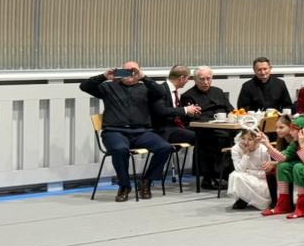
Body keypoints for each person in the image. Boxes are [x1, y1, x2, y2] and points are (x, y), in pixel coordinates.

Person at [80, 63, 176, 200]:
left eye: (133, 71)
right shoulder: (108, 87)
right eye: (126, 71)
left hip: (141, 132)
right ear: (120, 72)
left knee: (164, 147)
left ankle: (147, 182)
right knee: (119, 149)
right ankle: (124, 186)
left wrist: (144, 77)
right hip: (115, 131)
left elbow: (162, 92)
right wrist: (104, 76)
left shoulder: (146, 88)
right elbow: (84, 86)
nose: (130, 74)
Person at [178, 66, 232, 187]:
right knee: (216, 136)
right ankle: (210, 177)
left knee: (238, 136)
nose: (206, 82)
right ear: (195, 79)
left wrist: (232, 115)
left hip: (223, 126)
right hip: (201, 127)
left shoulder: (218, 91)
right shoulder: (188, 96)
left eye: (208, 78)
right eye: (202, 79)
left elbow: (230, 109)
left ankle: (229, 174)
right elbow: (190, 119)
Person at [227, 127, 276, 210]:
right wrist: (246, 155)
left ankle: (259, 200)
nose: (245, 142)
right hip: (247, 176)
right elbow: (239, 170)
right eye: (243, 138)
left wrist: (250, 172)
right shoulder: (236, 149)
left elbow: (266, 173)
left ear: (256, 140)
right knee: (235, 175)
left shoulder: (262, 150)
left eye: (250, 139)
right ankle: (243, 199)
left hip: (261, 181)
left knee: (240, 176)